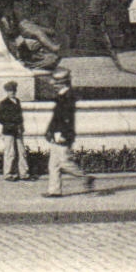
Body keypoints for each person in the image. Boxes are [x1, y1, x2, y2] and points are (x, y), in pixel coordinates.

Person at [44, 68, 94, 198]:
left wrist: (62, 134)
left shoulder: (67, 97)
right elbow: (56, 117)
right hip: (57, 134)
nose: (54, 86)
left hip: (62, 134)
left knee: (64, 163)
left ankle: (85, 177)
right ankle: (54, 191)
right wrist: (50, 131)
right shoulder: (63, 96)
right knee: (53, 164)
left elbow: (67, 118)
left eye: (56, 83)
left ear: (63, 83)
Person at [0, 79, 31, 181]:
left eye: (14, 90)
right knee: (10, 153)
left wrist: (21, 126)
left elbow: (20, 116)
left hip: (18, 130)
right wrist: (10, 124)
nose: (12, 92)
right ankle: (8, 174)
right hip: (8, 131)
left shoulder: (17, 101)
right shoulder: (4, 103)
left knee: (22, 151)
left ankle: (24, 173)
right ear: (7, 91)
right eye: (10, 90)